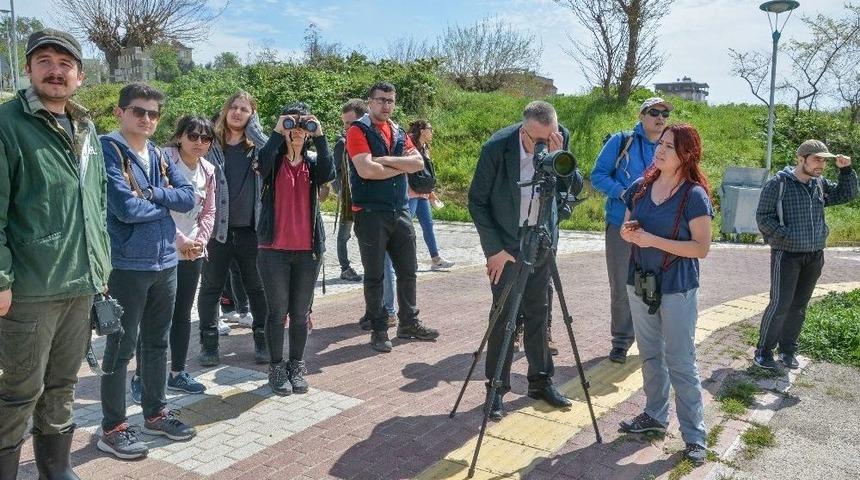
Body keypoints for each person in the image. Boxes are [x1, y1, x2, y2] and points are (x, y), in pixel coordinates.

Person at [0, 29, 112, 479]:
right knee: (18, 391)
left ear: (80, 76)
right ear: (28, 69)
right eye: (44, 60)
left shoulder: (87, 130)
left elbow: (97, 206)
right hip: (30, 288)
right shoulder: (8, 124)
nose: (55, 70)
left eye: (65, 63)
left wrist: (101, 267)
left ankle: (56, 468)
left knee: (63, 384)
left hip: (81, 285)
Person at [98, 83, 197, 460]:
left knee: (157, 343)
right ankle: (113, 427)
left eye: (154, 114)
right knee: (120, 348)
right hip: (127, 266)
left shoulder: (159, 154)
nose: (147, 119)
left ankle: (155, 413)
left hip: (165, 263)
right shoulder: (109, 150)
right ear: (120, 113)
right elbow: (125, 208)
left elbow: (188, 197)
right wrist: (165, 201)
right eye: (139, 111)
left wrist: (152, 194)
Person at [468, 100, 583, 420]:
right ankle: (496, 388)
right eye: (540, 141)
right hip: (507, 245)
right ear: (524, 131)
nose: (547, 144)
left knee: (539, 313)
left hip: (542, 239)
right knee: (505, 317)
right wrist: (493, 250)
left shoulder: (560, 137)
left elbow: (570, 189)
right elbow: (476, 201)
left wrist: (567, 163)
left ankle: (540, 381)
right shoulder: (497, 148)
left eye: (553, 135)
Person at [617, 123, 713, 467]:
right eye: (661, 143)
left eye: (670, 146)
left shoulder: (694, 195)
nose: (660, 149)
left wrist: (652, 240)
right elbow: (625, 228)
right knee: (650, 355)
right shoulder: (640, 187)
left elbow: (701, 248)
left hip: (677, 288)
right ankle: (655, 416)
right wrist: (630, 234)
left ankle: (694, 436)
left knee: (681, 361)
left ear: (686, 154)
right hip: (640, 282)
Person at [346, 81, 440, 352]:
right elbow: (365, 171)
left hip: (399, 211)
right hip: (370, 213)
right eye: (380, 100)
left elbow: (418, 163)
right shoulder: (357, 130)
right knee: (374, 275)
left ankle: (408, 322)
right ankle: (378, 329)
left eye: (390, 100)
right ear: (370, 101)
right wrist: (400, 166)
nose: (386, 105)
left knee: (408, 271)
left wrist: (384, 160)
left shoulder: (398, 130)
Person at [128, 116, 218, 402]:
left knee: (182, 314)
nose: (199, 143)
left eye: (206, 138)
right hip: (163, 249)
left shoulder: (209, 170)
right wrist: (182, 241)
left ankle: (178, 372)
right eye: (193, 136)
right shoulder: (162, 162)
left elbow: (210, 211)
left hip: (194, 253)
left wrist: (200, 241)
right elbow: (157, 205)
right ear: (179, 136)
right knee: (153, 317)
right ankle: (141, 376)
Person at [754, 140, 857, 370]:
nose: (821, 164)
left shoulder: (818, 183)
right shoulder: (778, 184)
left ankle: (788, 351)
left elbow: (846, 194)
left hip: (814, 255)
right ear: (801, 159)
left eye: (824, 160)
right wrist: (785, 235)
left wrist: (846, 170)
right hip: (787, 255)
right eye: (817, 159)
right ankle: (763, 351)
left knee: (799, 305)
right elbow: (763, 217)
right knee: (781, 304)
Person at [257, 102, 335, 395]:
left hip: (307, 250)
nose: (297, 132)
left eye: (302, 127)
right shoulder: (272, 162)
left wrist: (322, 137)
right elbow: (263, 161)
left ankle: (297, 365)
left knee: (300, 312)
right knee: (277, 312)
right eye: (292, 126)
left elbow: (328, 172)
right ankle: (276, 367)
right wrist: (278, 132)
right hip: (273, 249)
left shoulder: (313, 164)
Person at [591, 97, 671, 364]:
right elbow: (598, 175)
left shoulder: (669, 145)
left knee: (654, 283)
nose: (660, 117)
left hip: (658, 227)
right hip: (621, 224)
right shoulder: (621, 141)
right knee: (622, 285)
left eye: (664, 114)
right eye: (654, 112)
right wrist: (624, 193)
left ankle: (651, 340)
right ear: (641, 115)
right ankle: (621, 342)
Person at [198, 90, 270, 366]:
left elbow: (280, 152)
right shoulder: (211, 144)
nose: (238, 113)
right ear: (225, 111)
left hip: (251, 230)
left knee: (257, 287)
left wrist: (257, 132)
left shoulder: (258, 148)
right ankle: (209, 344)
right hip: (217, 231)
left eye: (245, 109)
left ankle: (262, 340)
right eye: (234, 107)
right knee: (210, 289)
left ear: (253, 116)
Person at [406, 119, 455, 270]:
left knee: (428, 225)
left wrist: (431, 192)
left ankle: (436, 259)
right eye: (430, 129)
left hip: (423, 193)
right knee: (406, 227)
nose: (432, 132)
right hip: (411, 191)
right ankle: (406, 260)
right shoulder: (409, 145)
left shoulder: (426, 147)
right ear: (422, 131)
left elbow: (427, 172)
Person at [332, 99, 366, 282]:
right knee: (344, 234)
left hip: (367, 195)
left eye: (350, 123)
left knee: (365, 232)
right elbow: (334, 171)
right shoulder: (342, 143)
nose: (346, 127)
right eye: (344, 123)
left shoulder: (370, 138)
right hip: (348, 196)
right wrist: (341, 193)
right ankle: (345, 268)